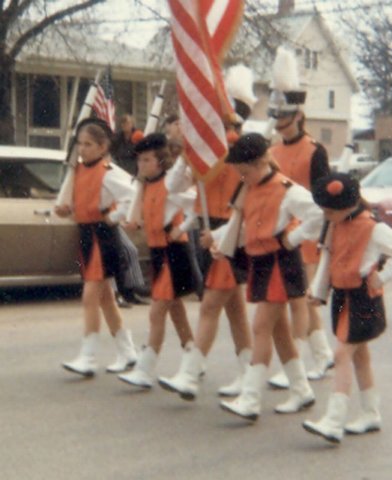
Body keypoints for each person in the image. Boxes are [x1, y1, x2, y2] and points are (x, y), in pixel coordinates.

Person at [157, 65, 256, 400]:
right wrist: (187, 160)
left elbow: (251, 205)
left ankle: (191, 371)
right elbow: (172, 188)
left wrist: (226, 233)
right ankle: (247, 372)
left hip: (232, 233)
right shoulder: (204, 152)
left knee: (212, 304)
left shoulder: (246, 154)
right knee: (234, 308)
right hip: (209, 229)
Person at [302, 172, 392, 443]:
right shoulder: (335, 225)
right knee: (359, 355)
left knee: (342, 354)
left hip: (363, 297)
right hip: (343, 295)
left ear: (346, 207)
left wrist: (383, 276)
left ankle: (334, 420)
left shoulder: (372, 227)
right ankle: (370, 413)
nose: (325, 215)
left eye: (329, 210)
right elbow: (328, 258)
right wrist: (318, 292)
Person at [219, 132, 323, 421]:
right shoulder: (249, 189)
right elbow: (242, 227)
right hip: (260, 262)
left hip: (280, 261)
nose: (242, 176)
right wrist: (218, 241)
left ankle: (250, 399)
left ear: (260, 162)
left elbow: (318, 216)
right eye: (239, 172)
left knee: (261, 327)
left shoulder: (287, 188)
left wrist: (293, 238)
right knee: (277, 331)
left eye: (245, 171)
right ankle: (302, 390)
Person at [266, 47, 334, 388]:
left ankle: (304, 360)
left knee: (300, 301)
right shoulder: (272, 151)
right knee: (297, 300)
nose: (279, 122)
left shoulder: (314, 151)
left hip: (307, 233)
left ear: (297, 115)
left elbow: (322, 199)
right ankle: (320, 356)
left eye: (284, 116)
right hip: (281, 234)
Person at [55, 117, 137, 377]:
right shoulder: (78, 171)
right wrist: (67, 208)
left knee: (91, 296)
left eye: (88, 144)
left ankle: (88, 356)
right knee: (105, 298)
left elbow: (133, 196)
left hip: (104, 237)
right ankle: (127, 352)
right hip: (86, 236)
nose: (82, 148)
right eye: (80, 143)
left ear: (103, 147)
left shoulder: (108, 172)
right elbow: (78, 206)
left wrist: (112, 217)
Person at [118, 133, 201, 388]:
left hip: (173, 250)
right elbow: (147, 219)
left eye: (146, 160)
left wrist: (183, 226)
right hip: (157, 252)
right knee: (175, 308)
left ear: (160, 161)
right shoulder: (146, 186)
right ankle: (193, 355)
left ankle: (145, 368)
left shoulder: (170, 184)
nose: (141, 165)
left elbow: (200, 203)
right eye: (139, 160)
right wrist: (135, 223)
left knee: (157, 312)